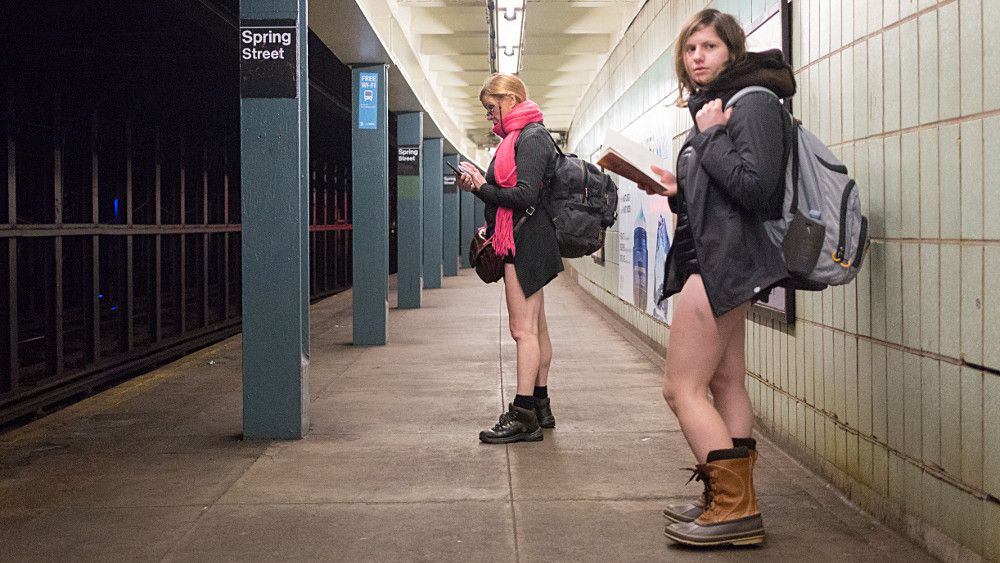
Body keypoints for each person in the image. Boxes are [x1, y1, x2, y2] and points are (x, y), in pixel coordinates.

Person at [643, 9, 795, 547]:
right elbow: (726, 190)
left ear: (732, 50)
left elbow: (757, 187)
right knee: (726, 381)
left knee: (680, 387)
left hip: (723, 261)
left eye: (708, 46)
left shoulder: (751, 102)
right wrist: (677, 189)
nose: (698, 57)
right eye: (690, 49)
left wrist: (707, 140)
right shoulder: (720, 107)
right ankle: (729, 500)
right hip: (721, 256)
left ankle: (734, 507)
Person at [455, 73, 563, 444]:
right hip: (528, 238)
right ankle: (541, 405)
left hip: (526, 241)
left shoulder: (531, 137)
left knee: (523, 330)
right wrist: (479, 189)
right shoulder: (520, 138)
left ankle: (523, 415)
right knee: (537, 327)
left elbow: (524, 197)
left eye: (491, 107)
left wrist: (480, 188)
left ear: (512, 99)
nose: (489, 116)